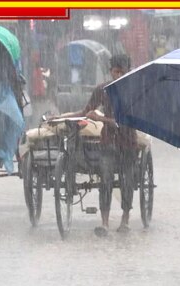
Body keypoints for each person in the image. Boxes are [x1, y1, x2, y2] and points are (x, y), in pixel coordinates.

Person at [52, 54, 137, 236]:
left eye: (123, 72)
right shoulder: (103, 90)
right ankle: (104, 223)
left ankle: (125, 220)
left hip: (128, 144)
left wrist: (100, 118)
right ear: (111, 71)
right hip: (108, 144)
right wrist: (61, 117)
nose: (119, 76)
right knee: (105, 180)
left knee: (127, 181)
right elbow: (85, 112)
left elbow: (123, 121)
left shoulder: (134, 91)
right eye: (116, 72)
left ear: (128, 72)